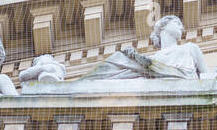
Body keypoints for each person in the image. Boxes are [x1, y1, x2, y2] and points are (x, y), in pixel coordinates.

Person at [77, 14, 209, 80]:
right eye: (177, 23)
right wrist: (133, 56)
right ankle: (85, 82)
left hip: (181, 83)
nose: (182, 27)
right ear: (163, 27)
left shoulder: (190, 48)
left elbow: (206, 76)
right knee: (118, 57)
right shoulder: (152, 59)